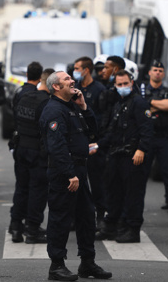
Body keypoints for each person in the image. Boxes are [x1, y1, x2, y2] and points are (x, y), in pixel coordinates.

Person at [39, 71, 111, 281]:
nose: (73, 81)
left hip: (79, 170)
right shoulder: (53, 110)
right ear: (56, 87)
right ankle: (57, 266)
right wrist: (70, 174)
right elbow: (57, 146)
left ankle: (87, 263)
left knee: (87, 217)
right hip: (65, 172)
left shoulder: (71, 107)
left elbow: (93, 132)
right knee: (60, 218)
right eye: (67, 80)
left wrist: (83, 107)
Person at [96, 70, 153, 243]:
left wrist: (141, 149)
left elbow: (147, 129)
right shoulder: (118, 103)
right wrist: (98, 145)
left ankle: (132, 229)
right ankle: (112, 226)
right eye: (119, 85)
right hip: (116, 154)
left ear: (131, 82)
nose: (122, 87)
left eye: (125, 84)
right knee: (113, 192)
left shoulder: (138, 102)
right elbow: (113, 130)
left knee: (133, 195)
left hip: (132, 155)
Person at [9, 65, 52, 244]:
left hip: (21, 149)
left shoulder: (24, 96)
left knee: (21, 189)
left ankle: (16, 226)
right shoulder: (46, 102)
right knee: (37, 191)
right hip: (37, 152)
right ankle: (33, 230)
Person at [139, 60, 168, 227]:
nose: (157, 72)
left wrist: (151, 103)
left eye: (160, 70)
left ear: (163, 74)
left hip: (165, 139)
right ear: (149, 72)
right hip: (146, 139)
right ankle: (136, 213)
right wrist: (160, 106)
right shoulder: (141, 89)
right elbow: (139, 106)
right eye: (155, 70)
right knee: (140, 177)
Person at [74, 56, 107, 228]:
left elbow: (104, 118)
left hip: (94, 141)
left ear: (86, 70)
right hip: (79, 140)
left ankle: (100, 216)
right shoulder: (75, 88)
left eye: (77, 68)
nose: (75, 71)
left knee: (97, 181)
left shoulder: (99, 90)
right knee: (77, 181)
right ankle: (78, 217)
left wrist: (98, 142)